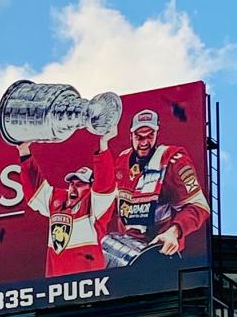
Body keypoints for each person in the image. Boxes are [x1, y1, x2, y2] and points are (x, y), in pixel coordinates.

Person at [94, 109, 210, 260]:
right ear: (131, 136)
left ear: (157, 134)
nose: (144, 142)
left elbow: (200, 206)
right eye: (139, 136)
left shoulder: (174, 162)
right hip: (124, 250)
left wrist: (173, 232)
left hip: (159, 253)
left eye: (150, 136)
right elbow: (108, 200)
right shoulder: (122, 160)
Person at [17, 138, 119, 277]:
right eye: (72, 183)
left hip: (88, 282)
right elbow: (35, 189)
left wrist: (103, 147)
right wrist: (24, 151)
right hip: (56, 282)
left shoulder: (95, 205)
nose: (73, 187)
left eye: (80, 184)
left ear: (91, 187)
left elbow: (105, 184)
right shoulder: (57, 201)